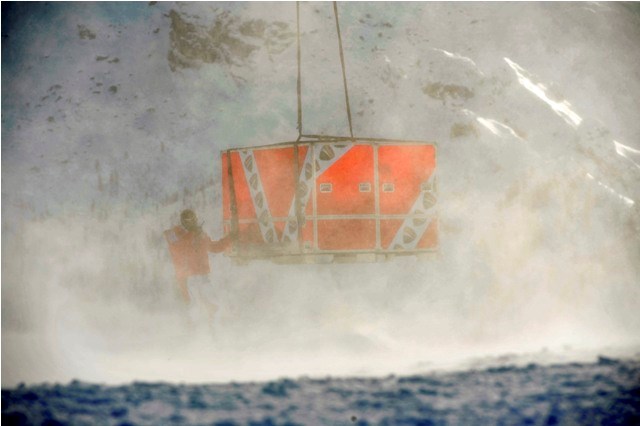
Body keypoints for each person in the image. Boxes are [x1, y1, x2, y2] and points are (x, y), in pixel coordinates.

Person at [164, 209, 233, 323]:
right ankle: (195, 333)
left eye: (193, 220)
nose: (192, 223)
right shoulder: (176, 234)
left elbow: (213, 247)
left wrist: (230, 238)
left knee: (212, 303)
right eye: (188, 221)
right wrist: (193, 234)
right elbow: (178, 246)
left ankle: (213, 329)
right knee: (194, 307)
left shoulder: (199, 234)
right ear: (183, 222)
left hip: (202, 276)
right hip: (187, 278)